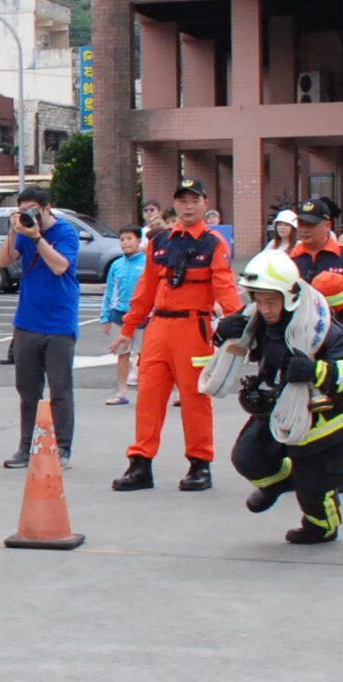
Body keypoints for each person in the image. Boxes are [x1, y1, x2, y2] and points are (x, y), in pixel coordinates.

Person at [218, 250, 343, 544]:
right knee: (247, 457)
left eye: (270, 301)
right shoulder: (256, 318)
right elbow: (236, 346)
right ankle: (283, 481)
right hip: (282, 411)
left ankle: (321, 525)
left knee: (313, 492)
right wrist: (223, 332)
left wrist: (315, 370)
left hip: (325, 421)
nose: (264, 309)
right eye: (258, 300)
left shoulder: (319, 326)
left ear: (288, 296)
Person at [110, 177, 240, 493]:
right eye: (182, 200)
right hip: (158, 330)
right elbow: (145, 291)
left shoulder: (213, 244)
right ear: (176, 205)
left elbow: (225, 286)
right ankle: (140, 463)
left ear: (205, 204)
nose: (188, 205)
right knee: (149, 398)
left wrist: (238, 327)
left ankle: (199, 465)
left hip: (192, 330)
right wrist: (128, 328)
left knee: (195, 400)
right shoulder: (160, 242)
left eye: (194, 200)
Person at [5, 187, 83, 469]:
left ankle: (62, 449)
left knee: (60, 389)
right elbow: (5, 260)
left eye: (34, 210)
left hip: (59, 324)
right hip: (27, 322)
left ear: (48, 209)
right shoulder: (23, 232)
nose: (29, 215)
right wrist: (13, 231)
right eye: (24, 210)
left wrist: (36, 237)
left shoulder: (65, 233)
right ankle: (26, 447)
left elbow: (60, 266)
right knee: (27, 390)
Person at [287, 198, 343, 360]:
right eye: (301, 224)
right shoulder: (291, 260)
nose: (304, 229)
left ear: (327, 225)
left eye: (311, 225)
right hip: (302, 342)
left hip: (339, 341)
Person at [100, 226, 147, 406]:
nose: (126, 243)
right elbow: (110, 291)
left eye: (129, 239)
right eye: (122, 239)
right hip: (120, 314)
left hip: (143, 315)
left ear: (138, 241)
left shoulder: (147, 262)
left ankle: (145, 391)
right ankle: (121, 391)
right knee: (122, 353)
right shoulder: (116, 264)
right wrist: (105, 317)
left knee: (144, 355)